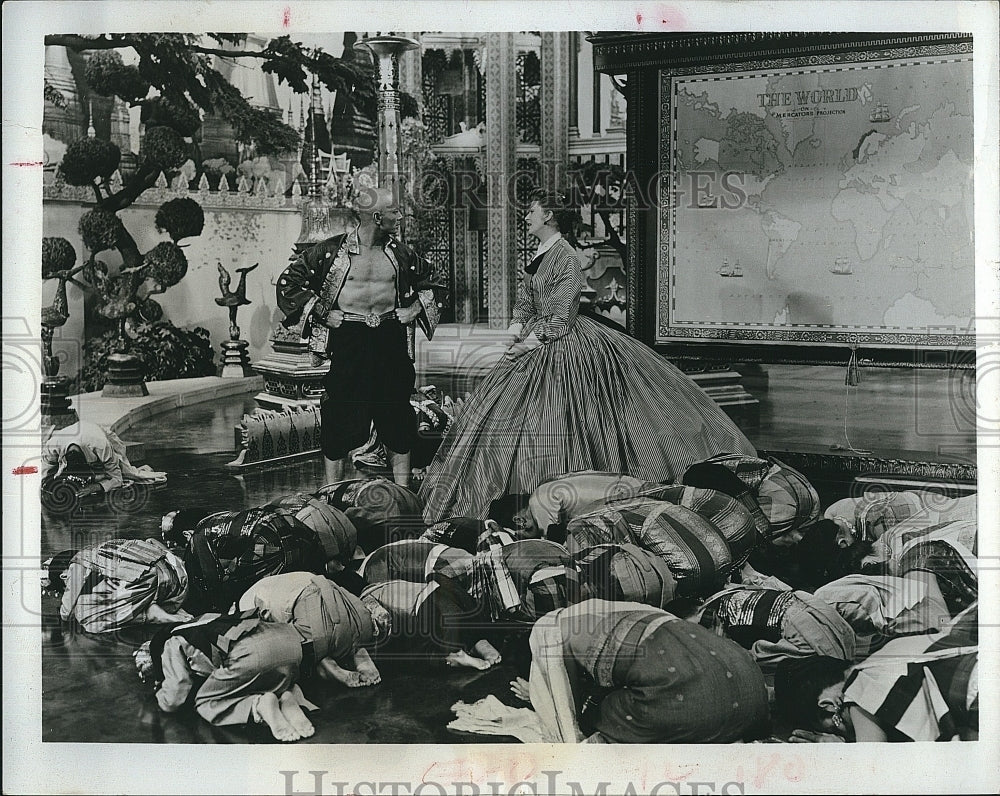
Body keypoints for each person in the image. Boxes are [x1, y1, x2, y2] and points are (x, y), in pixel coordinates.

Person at [419, 190, 756, 522]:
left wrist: (528, 342)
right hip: (536, 336)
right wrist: (513, 330)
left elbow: (563, 314)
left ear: (548, 216)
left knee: (565, 411)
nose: (526, 217)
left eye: (532, 211)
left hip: (563, 341)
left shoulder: (565, 254)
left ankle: (566, 492)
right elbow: (525, 297)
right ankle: (527, 499)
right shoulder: (542, 252)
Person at [276, 187, 446, 488]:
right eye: (395, 211)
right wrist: (321, 312)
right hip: (349, 340)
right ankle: (331, 494)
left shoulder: (401, 254)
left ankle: (403, 494)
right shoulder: (331, 251)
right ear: (377, 217)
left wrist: (415, 308)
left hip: (390, 338)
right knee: (339, 414)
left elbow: (435, 282)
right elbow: (288, 283)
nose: (401, 216)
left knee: (397, 414)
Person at [512, 598, 769, 743]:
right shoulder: (618, 609)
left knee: (603, 710)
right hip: (752, 691)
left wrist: (540, 695)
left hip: (694, 708)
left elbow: (567, 702)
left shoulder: (553, 632)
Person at [774, 603, 978, 742]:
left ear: (828, 706)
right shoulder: (885, 655)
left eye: (834, 725)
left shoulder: (858, 690)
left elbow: (870, 772)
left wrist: (838, 752)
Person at [134, 610, 320, 742]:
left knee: (207, 702)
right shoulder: (202, 620)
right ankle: (287, 696)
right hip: (287, 640)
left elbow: (175, 697)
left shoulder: (171, 643)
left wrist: (159, 693)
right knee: (252, 680)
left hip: (250, 655)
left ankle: (258, 706)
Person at [237, 571, 383, 688]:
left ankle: (325, 664)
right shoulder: (272, 582)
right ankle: (358, 652)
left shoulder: (246, 603)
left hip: (316, 623)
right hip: (356, 615)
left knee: (283, 648)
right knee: (343, 633)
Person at [694, 585, 856, 675]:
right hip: (817, 607)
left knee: (742, 662)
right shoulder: (726, 593)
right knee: (842, 662)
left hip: (802, 626)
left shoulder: (708, 618)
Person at [43, 538, 191, 633]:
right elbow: (151, 542)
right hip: (178, 577)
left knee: (85, 614)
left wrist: (65, 610)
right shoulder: (102, 548)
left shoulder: (78, 561)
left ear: (63, 576)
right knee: (108, 593)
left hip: (150, 579)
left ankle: (152, 615)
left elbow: (67, 612)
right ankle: (155, 609)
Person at [360, 577, 502, 670]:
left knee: (418, 650)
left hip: (427, 603)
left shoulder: (365, 599)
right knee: (468, 625)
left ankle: (456, 655)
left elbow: (383, 618)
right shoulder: (389, 583)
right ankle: (480, 644)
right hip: (445, 588)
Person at [41, 418, 166, 500]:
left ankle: (94, 478)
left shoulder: (102, 445)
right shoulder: (52, 445)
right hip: (77, 434)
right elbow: (44, 474)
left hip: (98, 432)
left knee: (128, 473)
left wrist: (95, 487)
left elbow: (117, 479)